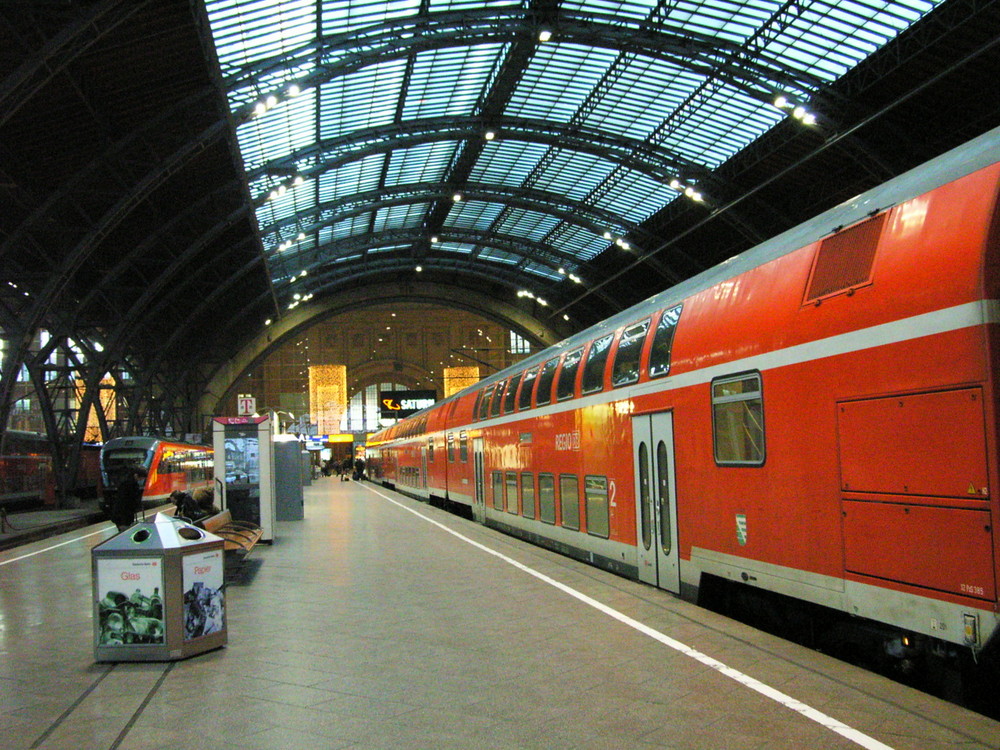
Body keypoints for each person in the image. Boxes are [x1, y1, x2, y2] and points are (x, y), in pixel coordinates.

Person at [111, 467, 145, 532]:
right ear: (136, 475)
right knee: (125, 532)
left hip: (119, 514)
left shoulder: (125, 481)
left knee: (123, 531)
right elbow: (131, 500)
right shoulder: (132, 485)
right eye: (140, 478)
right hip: (124, 515)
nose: (141, 480)